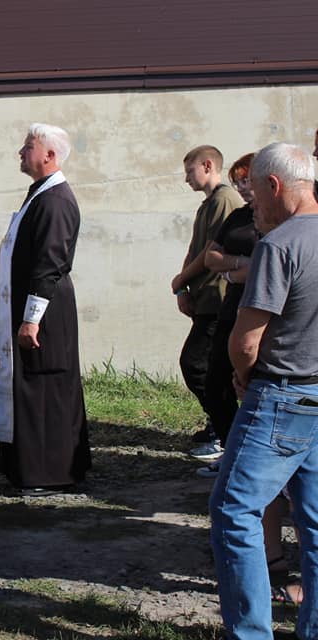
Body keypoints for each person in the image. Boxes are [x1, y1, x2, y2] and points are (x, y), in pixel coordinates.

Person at [209, 142, 318, 640]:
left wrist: (244, 373)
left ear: (275, 185)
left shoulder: (279, 245)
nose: (251, 205)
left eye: (254, 194)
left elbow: (246, 339)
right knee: (313, 521)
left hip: (281, 394)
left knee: (234, 510)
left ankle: (251, 632)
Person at [0, 123, 91, 496]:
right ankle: (26, 467)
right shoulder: (40, 194)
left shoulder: (56, 200)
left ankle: (50, 473)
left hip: (46, 312)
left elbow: (50, 262)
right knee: (31, 384)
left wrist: (31, 319)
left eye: (28, 146)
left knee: (46, 387)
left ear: (49, 155)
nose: (21, 152)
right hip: (33, 306)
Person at [172, 145, 244, 449]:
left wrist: (181, 279)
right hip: (204, 298)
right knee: (205, 368)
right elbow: (194, 249)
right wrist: (182, 288)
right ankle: (220, 423)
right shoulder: (207, 205)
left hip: (219, 299)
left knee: (198, 365)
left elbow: (210, 252)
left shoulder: (225, 200)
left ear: (208, 165)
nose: (187, 178)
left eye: (190, 171)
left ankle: (226, 428)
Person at [196, 153, 258, 478]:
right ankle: (231, 448)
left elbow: (266, 266)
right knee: (216, 380)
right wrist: (238, 266)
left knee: (250, 384)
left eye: (246, 180)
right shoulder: (238, 216)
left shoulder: (275, 220)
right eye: (238, 182)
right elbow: (211, 257)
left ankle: (249, 458)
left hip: (259, 307)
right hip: (230, 304)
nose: (242, 188)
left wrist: (233, 270)